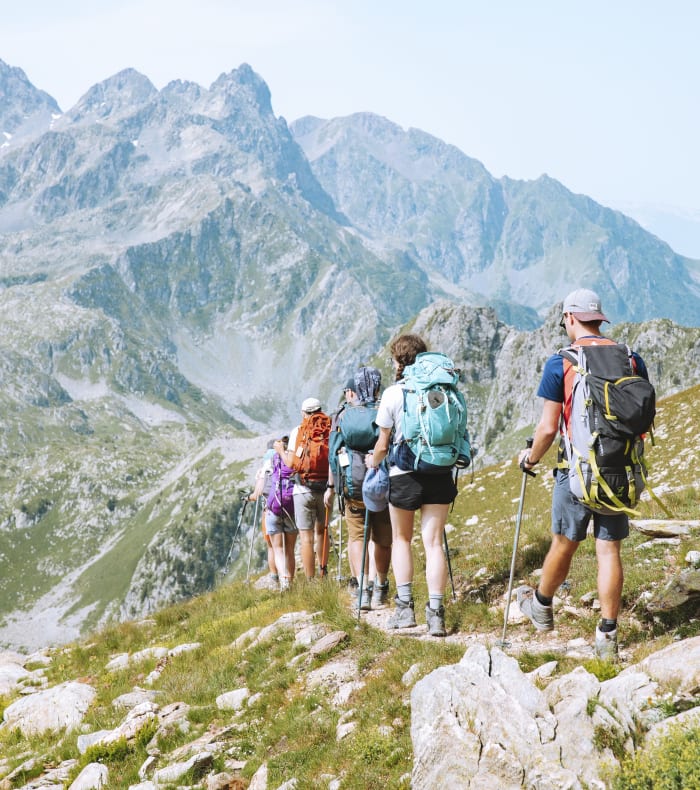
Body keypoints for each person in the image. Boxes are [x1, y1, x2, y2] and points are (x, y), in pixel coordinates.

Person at [516, 288, 650, 659]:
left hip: (575, 470)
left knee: (564, 542)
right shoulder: (630, 358)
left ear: (570, 318)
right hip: (619, 467)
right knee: (609, 549)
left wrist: (531, 459)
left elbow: (548, 428)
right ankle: (607, 636)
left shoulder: (561, 363)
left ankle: (542, 606)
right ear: (599, 319)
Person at [369, 334, 459, 636]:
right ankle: (436, 615)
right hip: (439, 470)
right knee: (433, 543)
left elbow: (383, 444)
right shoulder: (443, 390)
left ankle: (405, 610)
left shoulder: (394, 393)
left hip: (404, 473)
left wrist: (373, 461)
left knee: (402, 539)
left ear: (398, 361)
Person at [326, 367, 392, 610]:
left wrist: (333, 487)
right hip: (383, 485)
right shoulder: (385, 410)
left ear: (354, 391)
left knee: (356, 538)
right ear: (377, 387)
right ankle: (381, 587)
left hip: (353, 485)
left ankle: (363, 589)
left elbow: (333, 454)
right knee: (382, 539)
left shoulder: (342, 415)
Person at [285, 398, 331, 580]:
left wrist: (280, 451)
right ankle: (323, 572)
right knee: (322, 532)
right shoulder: (330, 429)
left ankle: (310, 580)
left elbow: (290, 463)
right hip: (326, 489)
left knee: (306, 537)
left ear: (304, 413)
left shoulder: (298, 431)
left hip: (302, 489)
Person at [264, 436, 298, 590]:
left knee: (278, 549)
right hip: (291, 508)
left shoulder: (272, 460)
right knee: (290, 549)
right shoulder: (295, 460)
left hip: (274, 507)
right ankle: (290, 581)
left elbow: (264, 486)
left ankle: (284, 582)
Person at [249, 439, 279, 586]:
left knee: (271, 546)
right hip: (287, 507)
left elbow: (257, 493)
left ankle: (274, 576)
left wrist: (250, 497)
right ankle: (288, 577)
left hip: (269, 510)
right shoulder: (285, 462)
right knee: (286, 546)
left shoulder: (264, 468)